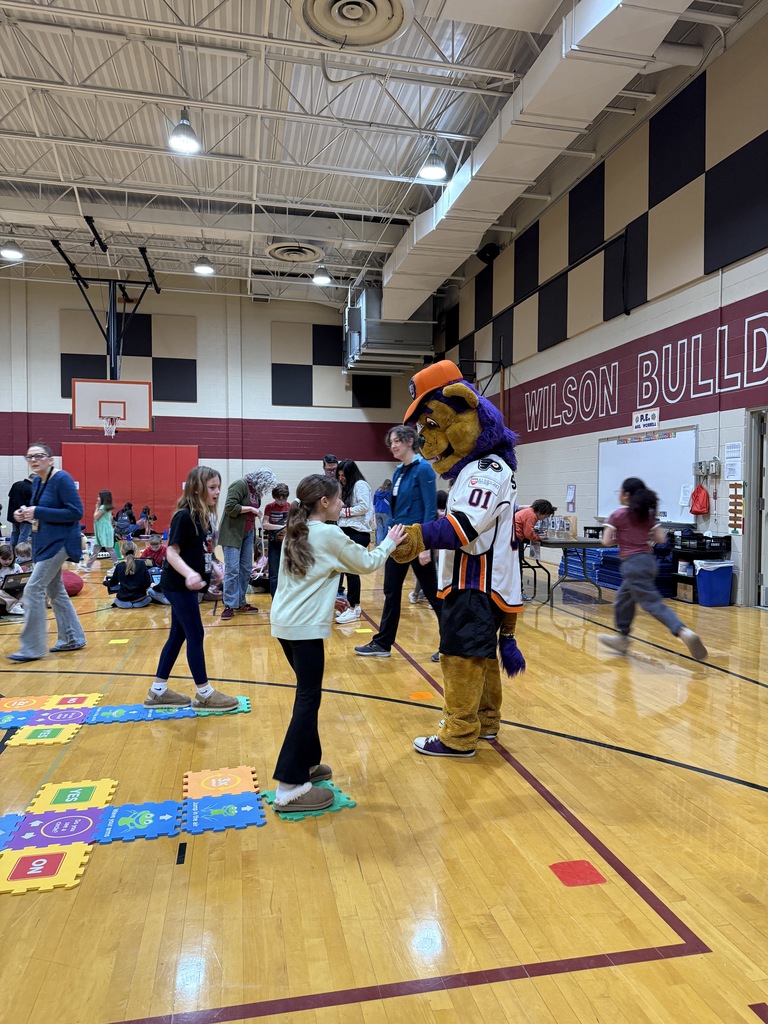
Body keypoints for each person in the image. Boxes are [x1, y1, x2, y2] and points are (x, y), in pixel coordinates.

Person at [270, 474, 406, 812]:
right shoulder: (329, 533)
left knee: (307, 694)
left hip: (285, 624)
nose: (344, 504)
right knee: (307, 699)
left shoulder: (297, 529)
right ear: (325, 503)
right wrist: (389, 540)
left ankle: (309, 764)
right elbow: (368, 563)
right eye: (340, 498)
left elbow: (302, 577)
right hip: (303, 630)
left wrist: (329, 599)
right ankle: (289, 787)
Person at [145, 466, 239, 710]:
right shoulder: (184, 516)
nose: (217, 492)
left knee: (178, 635)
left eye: (219, 487)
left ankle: (158, 691)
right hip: (177, 585)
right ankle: (204, 693)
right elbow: (172, 552)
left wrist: (216, 568)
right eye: (212, 488)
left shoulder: (205, 515)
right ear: (197, 489)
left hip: (188, 586)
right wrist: (189, 574)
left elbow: (204, 549)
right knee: (195, 634)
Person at [355, 425, 441, 658]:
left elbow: (430, 510)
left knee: (433, 593)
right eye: (391, 442)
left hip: (416, 540)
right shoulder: (398, 472)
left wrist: (426, 545)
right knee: (391, 591)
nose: (392, 446)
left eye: (397, 441)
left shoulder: (423, 469)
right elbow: (395, 509)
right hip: (398, 540)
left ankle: (451, 644)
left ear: (410, 441)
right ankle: (383, 643)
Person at [599, 477, 707, 660]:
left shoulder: (617, 515)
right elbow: (661, 539)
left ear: (625, 495)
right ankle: (622, 638)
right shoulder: (647, 515)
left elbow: (606, 541)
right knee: (623, 601)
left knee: (652, 603)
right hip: (648, 562)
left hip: (632, 564)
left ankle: (682, 631)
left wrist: (624, 539)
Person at [8, 442, 87, 661]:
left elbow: (75, 512)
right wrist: (27, 515)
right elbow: (43, 513)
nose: (34, 460)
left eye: (39, 456)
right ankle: (72, 638)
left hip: (60, 543)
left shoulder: (62, 479)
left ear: (50, 460)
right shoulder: (38, 482)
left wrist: (38, 510)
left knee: (33, 589)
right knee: (55, 591)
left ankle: (32, 647)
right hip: (44, 543)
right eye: (30, 457)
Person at [218, 468, 275, 620]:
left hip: (248, 533)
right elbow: (230, 507)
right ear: (260, 481)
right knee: (232, 569)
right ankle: (229, 604)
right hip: (232, 533)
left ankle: (240, 601)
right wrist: (251, 508)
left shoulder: (256, 492)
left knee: (246, 569)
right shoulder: (240, 485)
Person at [335, 459, 374, 624]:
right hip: (346, 531)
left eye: (343, 475)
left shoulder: (360, 485)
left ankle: (354, 606)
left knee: (351, 570)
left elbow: (364, 507)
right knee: (342, 568)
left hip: (358, 532)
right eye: (340, 476)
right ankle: (350, 606)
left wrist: (342, 512)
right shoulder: (347, 487)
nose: (341, 478)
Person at [409, 489, 448, 604]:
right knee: (439, 573)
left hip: (431, 544)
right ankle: (439, 596)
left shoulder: (431, 513)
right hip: (444, 544)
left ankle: (416, 594)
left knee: (425, 575)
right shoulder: (448, 512)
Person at [515, 498, 556, 599]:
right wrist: (538, 537)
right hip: (515, 539)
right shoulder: (531, 515)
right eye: (546, 516)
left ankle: (517, 592)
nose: (544, 518)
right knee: (517, 567)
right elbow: (528, 533)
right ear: (542, 512)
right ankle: (519, 593)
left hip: (514, 537)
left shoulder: (528, 512)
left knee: (516, 567)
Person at [262, 483, 290, 597]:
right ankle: (275, 599)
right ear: (275, 497)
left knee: (288, 573)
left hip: (287, 544)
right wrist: (280, 527)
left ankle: (286, 598)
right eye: (279, 499)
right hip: (273, 543)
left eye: (284, 499)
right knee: (273, 574)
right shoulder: (269, 507)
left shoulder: (290, 506)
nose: (282, 502)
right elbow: (265, 524)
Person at [105, 541, 152, 608]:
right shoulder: (141, 564)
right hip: (140, 599)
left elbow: (113, 583)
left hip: (123, 599)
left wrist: (105, 582)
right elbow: (148, 582)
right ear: (135, 551)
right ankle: (135, 603)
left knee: (117, 600)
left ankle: (128, 603)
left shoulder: (119, 566)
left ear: (122, 552)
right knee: (150, 596)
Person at [83, 490, 116, 570]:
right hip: (103, 530)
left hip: (104, 531)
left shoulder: (102, 507)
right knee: (96, 549)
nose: (97, 498)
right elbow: (110, 518)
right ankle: (88, 566)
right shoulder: (107, 507)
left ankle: (116, 565)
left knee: (109, 548)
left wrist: (96, 508)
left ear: (103, 498)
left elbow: (96, 516)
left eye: (99, 496)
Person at [7, 474, 33, 549]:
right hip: (25, 516)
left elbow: (10, 496)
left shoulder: (16, 484)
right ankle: (20, 554)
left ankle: (11, 552)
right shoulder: (31, 488)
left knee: (15, 533)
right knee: (24, 534)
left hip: (13, 515)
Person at [0, 544, 24, 616]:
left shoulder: (16, 567)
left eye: (10, 559)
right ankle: (16, 605)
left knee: (29, 589)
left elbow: (22, 579)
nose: (7, 561)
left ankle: (15, 605)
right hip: (3, 595)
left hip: (16, 592)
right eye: (4, 559)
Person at [373, 478, 392, 545]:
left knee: (379, 530)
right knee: (386, 529)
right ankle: (385, 545)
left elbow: (374, 503)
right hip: (385, 512)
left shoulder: (377, 491)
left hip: (377, 512)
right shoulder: (389, 492)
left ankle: (378, 546)